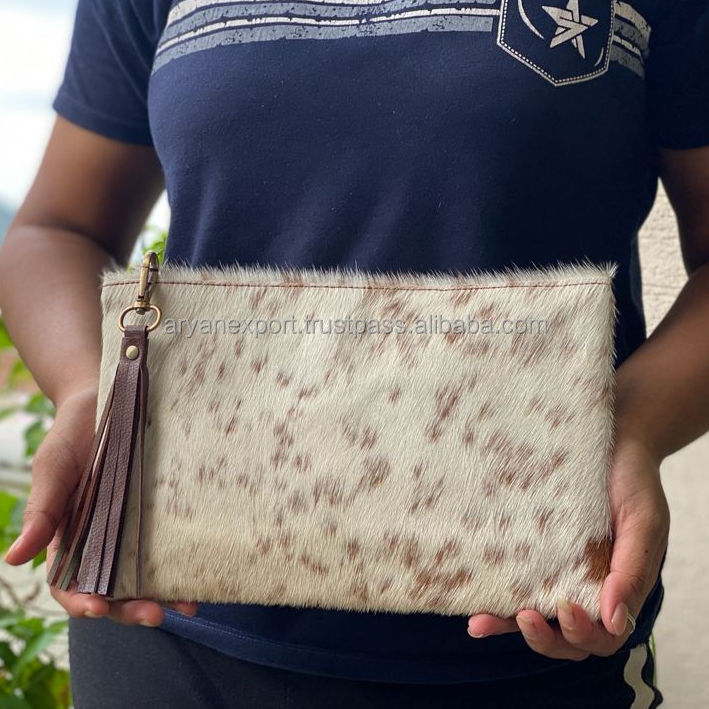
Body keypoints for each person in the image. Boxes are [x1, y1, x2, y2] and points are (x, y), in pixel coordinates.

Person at [1, 0, 708, 706]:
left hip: (530, 642)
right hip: (173, 640)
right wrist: (87, 395)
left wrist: (631, 431)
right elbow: (57, 227)